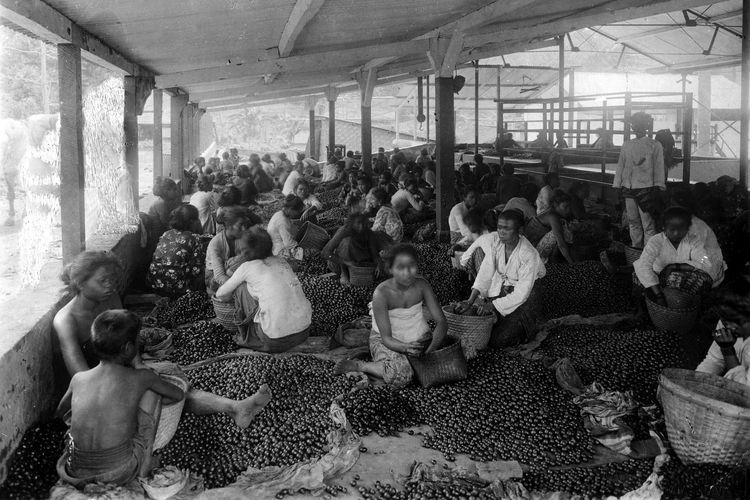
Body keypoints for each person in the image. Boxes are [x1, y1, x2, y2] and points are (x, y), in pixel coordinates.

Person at [53, 252, 272, 435]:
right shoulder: (66, 321)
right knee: (155, 391)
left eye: (112, 279)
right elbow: (79, 375)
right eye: (102, 281)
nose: (110, 285)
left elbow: (130, 335)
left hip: (118, 368)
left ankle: (235, 407)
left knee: (169, 380)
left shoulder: (108, 299)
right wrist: (131, 383)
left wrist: (139, 366)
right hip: (92, 388)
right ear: (80, 283)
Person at [56, 310, 185, 487]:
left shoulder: (78, 378)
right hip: (119, 472)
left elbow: (60, 413)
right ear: (128, 348)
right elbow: (178, 394)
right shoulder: (142, 377)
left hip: (74, 471)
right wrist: (141, 372)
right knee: (153, 391)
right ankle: (145, 468)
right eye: (137, 340)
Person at [333, 244, 447, 388]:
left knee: (444, 358)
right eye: (400, 267)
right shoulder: (381, 294)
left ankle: (400, 362)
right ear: (390, 269)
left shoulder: (423, 286)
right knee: (403, 374)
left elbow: (442, 322)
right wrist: (405, 348)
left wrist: (431, 350)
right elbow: (386, 338)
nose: (407, 272)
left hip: (417, 337)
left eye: (411, 265)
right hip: (386, 340)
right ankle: (361, 365)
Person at [458, 210, 546, 347]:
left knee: (498, 340)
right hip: (505, 290)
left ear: (520, 230)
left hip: (528, 296)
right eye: (499, 227)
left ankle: (525, 325)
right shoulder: (497, 244)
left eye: (507, 229)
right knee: (478, 322)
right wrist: (470, 300)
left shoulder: (528, 254)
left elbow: (522, 294)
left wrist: (492, 305)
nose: (501, 232)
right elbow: (485, 273)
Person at [215, 230, 312, 353]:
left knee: (241, 288)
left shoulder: (247, 267)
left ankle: (248, 338)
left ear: (245, 252)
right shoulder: (282, 260)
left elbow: (220, 294)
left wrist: (230, 296)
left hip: (274, 340)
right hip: (304, 332)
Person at [634, 206, 720, 305]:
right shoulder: (656, 241)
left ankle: (685, 306)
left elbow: (705, 262)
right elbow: (643, 266)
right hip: (657, 278)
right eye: (672, 229)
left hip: (679, 277)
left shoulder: (693, 240)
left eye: (681, 229)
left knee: (704, 278)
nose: (677, 233)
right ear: (664, 227)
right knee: (640, 276)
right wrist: (659, 295)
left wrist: (675, 266)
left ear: (688, 228)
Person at [613, 111, 666, 249]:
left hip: (646, 189)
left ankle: (648, 255)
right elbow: (621, 166)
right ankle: (636, 250)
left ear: (646, 126)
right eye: (634, 125)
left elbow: (659, 169)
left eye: (639, 124)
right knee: (633, 222)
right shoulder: (627, 145)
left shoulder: (655, 145)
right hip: (628, 189)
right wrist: (617, 186)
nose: (636, 128)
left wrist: (657, 187)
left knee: (648, 225)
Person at [696, 271, 750, 380]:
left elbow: (742, 390)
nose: (729, 327)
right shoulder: (728, 318)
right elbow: (714, 360)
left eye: (739, 321)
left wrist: (727, 350)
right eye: (725, 320)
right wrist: (696, 381)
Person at [147, 205, 206, 298]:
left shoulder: (166, 233)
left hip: (155, 283)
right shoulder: (195, 238)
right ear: (193, 221)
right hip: (178, 288)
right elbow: (197, 270)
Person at [322, 213, 392, 284]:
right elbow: (325, 253)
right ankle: (344, 274)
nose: (361, 227)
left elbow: (373, 251)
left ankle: (356, 271)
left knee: (378, 235)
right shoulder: (343, 231)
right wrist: (345, 262)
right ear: (351, 224)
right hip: (338, 261)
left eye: (363, 223)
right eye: (358, 223)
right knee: (347, 242)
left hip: (357, 261)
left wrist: (378, 263)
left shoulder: (367, 232)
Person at [205, 207, 261, 293]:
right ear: (229, 227)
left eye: (244, 225)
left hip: (232, 274)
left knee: (247, 257)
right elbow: (219, 276)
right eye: (240, 225)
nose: (243, 228)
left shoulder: (241, 237)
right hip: (215, 279)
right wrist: (242, 288)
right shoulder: (215, 243)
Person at [525, 189, 575, 264]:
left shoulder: (552, 212)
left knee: (562, 228)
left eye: (569, 207)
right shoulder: (553, 216)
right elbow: (561, 244)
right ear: (556, 205)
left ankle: (554, 260)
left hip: (531, 245)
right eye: (565, 207)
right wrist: (572, 263)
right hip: (531, 251)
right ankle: (553, 262)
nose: (568, 210)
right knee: (560, 233)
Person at [267, 195, 305, 261]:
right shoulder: (282, 221)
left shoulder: (280, 214)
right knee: (302, 256)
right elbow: (289, 244)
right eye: (298, 212)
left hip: (277, 244)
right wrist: (302, 250)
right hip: (279, 250)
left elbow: (289, 226)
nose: (298, 214)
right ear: (290, 209)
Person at [148, 177, 182, 241]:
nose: (176, 192)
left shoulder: (168, 201)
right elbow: (166, 223)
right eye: (174, 190)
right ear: (166, 192)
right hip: (157, 235)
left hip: (163, 230)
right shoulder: (161, 204)